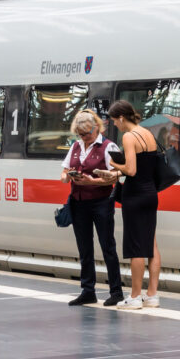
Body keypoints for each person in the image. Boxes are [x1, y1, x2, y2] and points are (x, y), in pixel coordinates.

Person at [60, 109, 124, 307]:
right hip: (79, 202)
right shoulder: (76, 146)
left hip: (101, 202)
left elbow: (116, 174)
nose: (83, 138)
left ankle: (116, 292)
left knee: (107, 246)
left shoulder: (108, 146)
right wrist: (68, 176)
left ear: (96, 128)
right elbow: (64, 172)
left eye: (86, 134)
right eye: (80, 134)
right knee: (84, 248)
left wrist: (92, 180)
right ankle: (88, 291)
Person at [107, 100, 162, 310]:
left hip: (135, 196)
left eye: (115, 121)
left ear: (121, 118)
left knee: (137, 246)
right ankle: (152, 295)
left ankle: (135, 296)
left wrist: (113, 165)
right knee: (151, 244)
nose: (115, 125)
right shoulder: (147, 133)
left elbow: (130, 170)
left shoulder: (129, 136)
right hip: (151, 193)